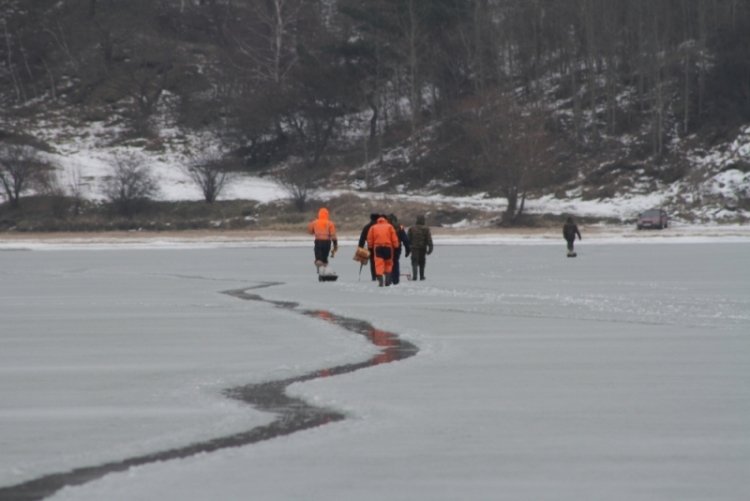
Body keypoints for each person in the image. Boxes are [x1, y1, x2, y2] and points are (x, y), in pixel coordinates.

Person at [366, 215, 400, 286]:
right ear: (385, 220)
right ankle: (387, 280)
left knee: (378, 264)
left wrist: (370, 247)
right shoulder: (389, 227)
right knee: (388, 263)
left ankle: (380, 280)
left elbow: (369, 238)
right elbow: (394, 238)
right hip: (388, 248)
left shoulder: (373, 227)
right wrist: (396, 246)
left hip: (378, 248)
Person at [407, 214, 433, 280]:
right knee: (422, 262)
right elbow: (429, 239)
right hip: (422, 248)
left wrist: (408, 248)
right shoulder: (426, 229)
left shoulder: (411, 228)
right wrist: (430, 248)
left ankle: (415, 277)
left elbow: (408, 239)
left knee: (414, 262)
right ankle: (422, 276)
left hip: (414, 248)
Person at [387, 214, 410, 285]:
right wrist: (407, 249)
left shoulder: (385, 226)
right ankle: (395, 280)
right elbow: (405, 239)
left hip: (386, 247)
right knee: (395, 263)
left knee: (387, 263)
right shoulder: (400, 226)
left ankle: (388, 279)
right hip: (397, 247)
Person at [358, 213, 380, 281]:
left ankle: (374, 277)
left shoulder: (367, 226)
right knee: (380, 262)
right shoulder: (381, 226)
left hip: (371, 247)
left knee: (373, 262)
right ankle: (380, 276)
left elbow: (362, 238)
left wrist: (360, 247)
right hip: (380, 246)